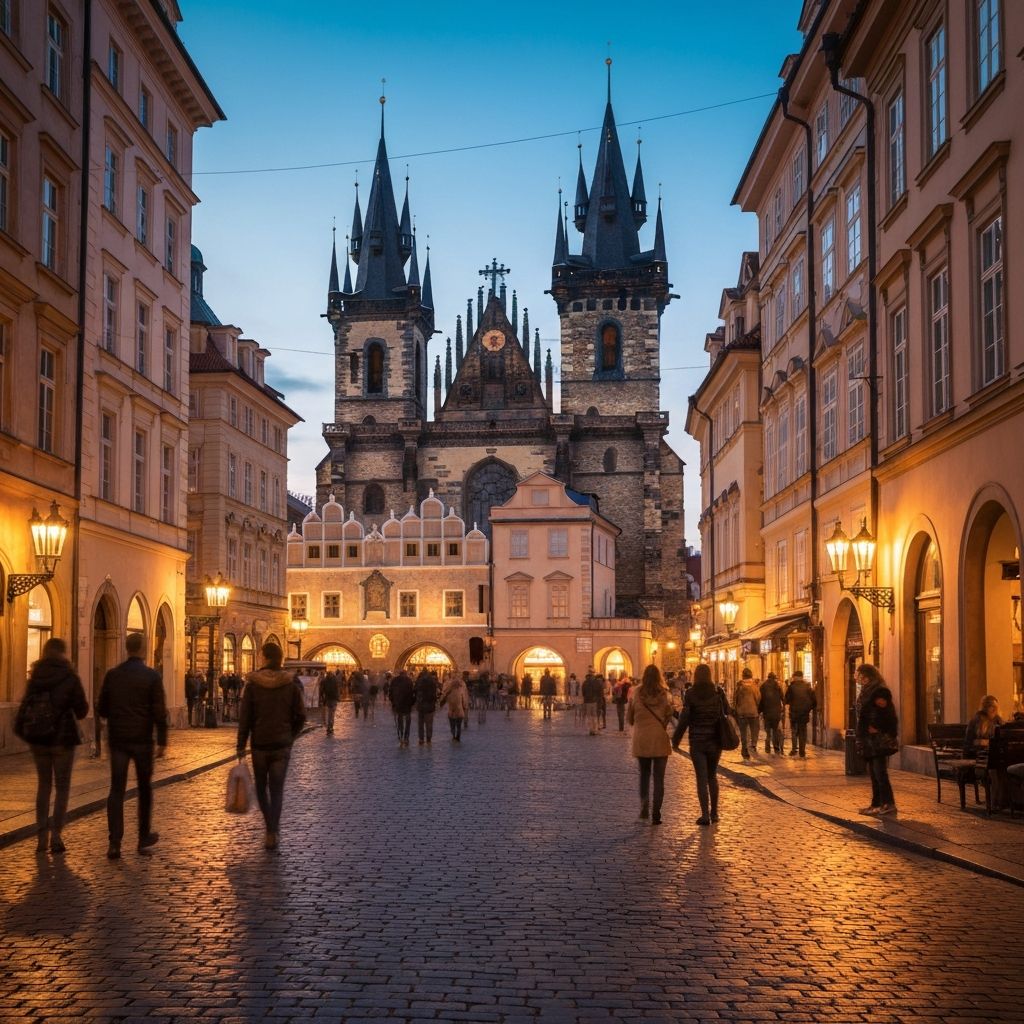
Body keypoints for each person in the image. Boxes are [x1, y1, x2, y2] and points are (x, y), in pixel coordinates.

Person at [97, 632, 168, 860]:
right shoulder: (152, 676)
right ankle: (143, 836)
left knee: (116, 789)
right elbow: (159, 711)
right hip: (142, 740)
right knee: (145, 788)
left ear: (127, 648)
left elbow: (102, 709)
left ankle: (114, 842)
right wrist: (162, 740)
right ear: (143, 649)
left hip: (118, 739)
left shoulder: (113, 675)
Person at [16, 637, 89, 854]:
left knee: (44, 785)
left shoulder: (35, 675)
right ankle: (56, 835)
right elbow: (82, 710)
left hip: (39, 739)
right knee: (62, 786)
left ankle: (41, 837)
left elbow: (25, 707)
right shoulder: (69, 675)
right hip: (62, 738)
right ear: (63, 653)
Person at [236, 642, 306, 850]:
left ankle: (269, 827)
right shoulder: (290, 684)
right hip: (282, 744)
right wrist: (290, 735)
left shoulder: (253, 684)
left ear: (265, 657)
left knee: (261, 787)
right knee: (277, 790)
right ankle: (273, 830)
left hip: (260, 744)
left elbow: (245, 718)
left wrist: (241, 744)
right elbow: (301, 716)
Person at [672, 663, 725, 826]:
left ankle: (705, 815)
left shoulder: (690, 694)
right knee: (712, 776)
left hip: (697, 741)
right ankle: (714, 812)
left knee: (701, 778)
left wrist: (676, 740)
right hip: (715, 740)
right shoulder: (718, 692)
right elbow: (727, 711)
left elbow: (685, 718)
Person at [627, 665, 673, 825]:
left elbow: (630, 718)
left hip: (642, 739)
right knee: (659, 779)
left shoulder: (637, 693)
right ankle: (656, 814)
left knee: (644, 776)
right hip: (659, 739)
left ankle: (644, 807)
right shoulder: (664, 693)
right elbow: (669, 714)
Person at [854, 663, 899, 816]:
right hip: (869, 739)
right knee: (874, 772)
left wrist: (877, 727)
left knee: (880, 772)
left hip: (878, 739)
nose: (855, 676)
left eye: (857, 673)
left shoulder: (879, 690)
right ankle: (876, 804)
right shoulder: (868, 690)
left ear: (866, 676)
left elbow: (888, 714)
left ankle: (888, 803)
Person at [784, 670, 816, 758]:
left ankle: (794, 749)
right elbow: (814, 700)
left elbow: (786, 699)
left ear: (795, 677)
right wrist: (809, 709)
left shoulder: (791, 687)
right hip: (804, 713)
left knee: (794, 732)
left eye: (793, 676)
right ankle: (802, 751)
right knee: (803, 732)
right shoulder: (807, 687)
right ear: (802, 677)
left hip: (794, 713)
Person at [759, 672, 785, 755]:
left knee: (768, 731)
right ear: (774, 678)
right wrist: (782, 708)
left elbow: (760, 699)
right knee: (775, 730)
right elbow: (783, 698)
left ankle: (767, 748)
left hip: (766, 712)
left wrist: (760, 710)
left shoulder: (763, 686)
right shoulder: (777, 686)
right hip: (776, 712)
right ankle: (776, 748)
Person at [389, 668, 416, 748]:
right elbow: (413, 693)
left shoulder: (394, 681)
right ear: (405, 673)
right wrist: (412, 703)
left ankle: (401, 735)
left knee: (400, 719)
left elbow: (390, 692)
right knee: (408, 720)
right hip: (407, 704)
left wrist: (393, 702)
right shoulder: (409, 681)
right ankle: (406, 737)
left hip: (398, 704)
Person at [441, 673, 469, 741]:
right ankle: (458, 737)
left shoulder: (449, 690)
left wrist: (441, 703)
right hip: (459, 711)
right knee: (458, 725)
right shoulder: (461, 689)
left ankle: (453, 735)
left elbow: (444, 697)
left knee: (452, 725)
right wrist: (465, 706)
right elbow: (464, 700)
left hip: (452, 711)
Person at [415, 668, 440, 744]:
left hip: (421, 706)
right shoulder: (432, 682)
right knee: (429, 723)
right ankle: (428, 739)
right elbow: (434, 694)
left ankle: (421, 739)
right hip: (429, 706)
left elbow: (415, 691)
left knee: (421, 724)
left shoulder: (419, 681)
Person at [319, 669, 341, 735]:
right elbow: (337, 690)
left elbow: (321, 690)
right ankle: (330, 726)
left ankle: (329, 727)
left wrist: (322, 698)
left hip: (328, 699)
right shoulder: (335, 681)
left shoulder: (324, 681)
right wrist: (338, 698)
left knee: (329, 713)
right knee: (332, 714)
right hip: (333, 699)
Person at [582, 671, 602, 735]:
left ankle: (591, 730)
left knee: (589, 716)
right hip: (595, 701)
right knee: (594, 716)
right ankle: (595, 729)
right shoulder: (596, 683)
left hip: (587, 701)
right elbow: (600, 692)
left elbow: (583, 692)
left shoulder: (585, 683)